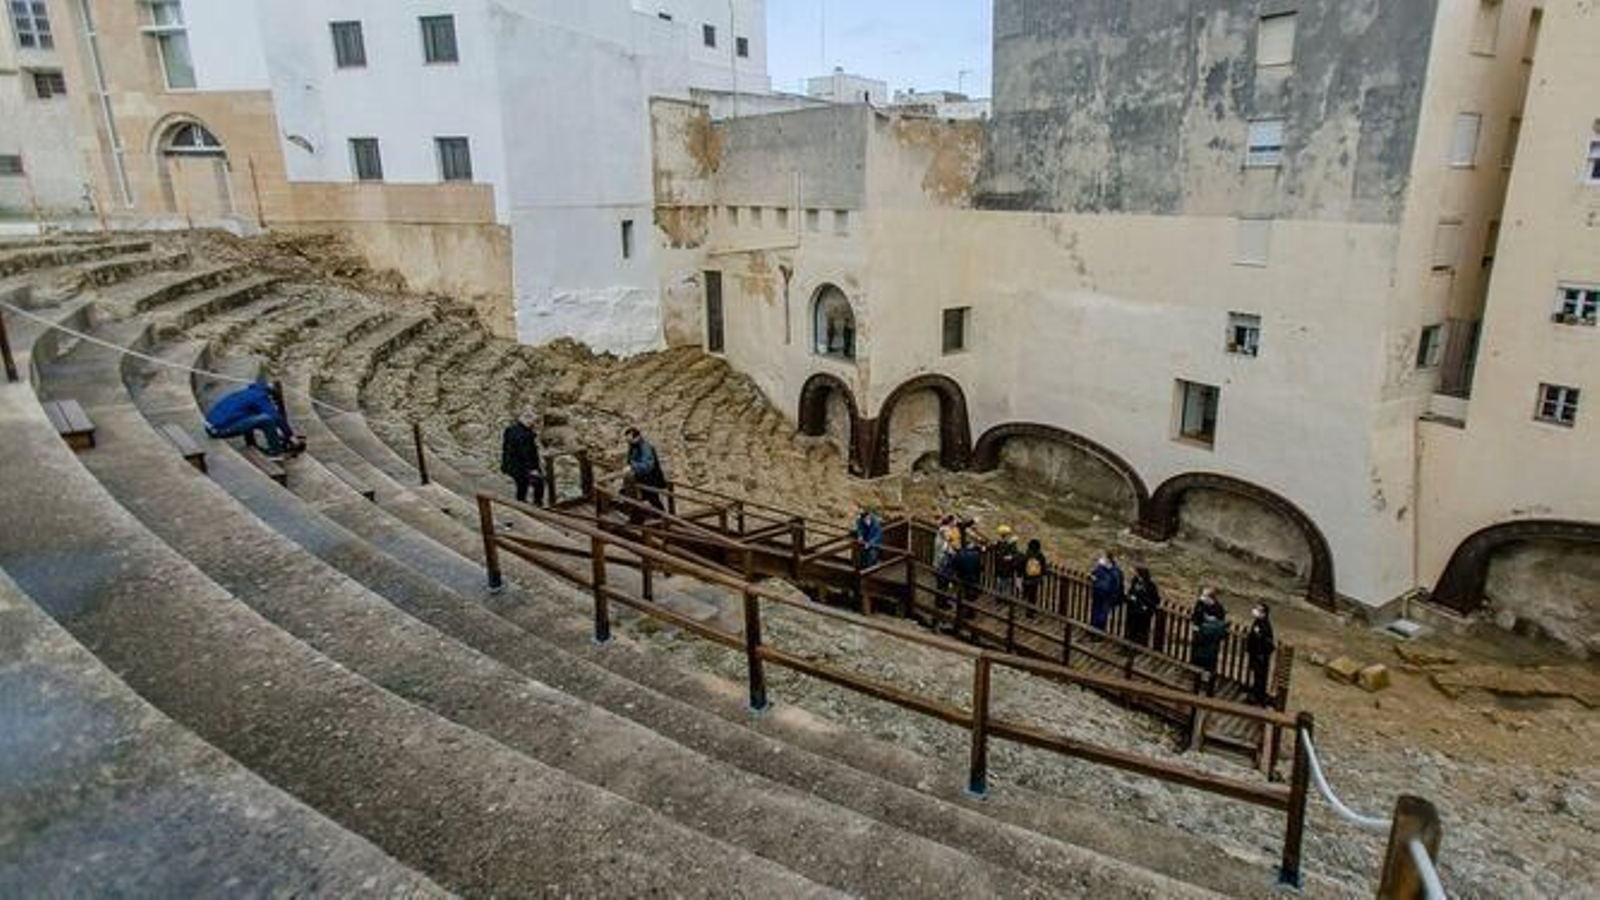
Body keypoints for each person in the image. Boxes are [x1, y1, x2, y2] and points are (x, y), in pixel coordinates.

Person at [205, 380, 301, 460]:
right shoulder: (261, 397)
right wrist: (290, 436)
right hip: (218, 429)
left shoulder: (249, 392)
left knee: (249, 416)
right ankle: (276, 453)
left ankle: (251, 444)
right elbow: (275, 418)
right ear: (270, 395)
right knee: (266, 419)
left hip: (211, 425)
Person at [500, 411, 544, 506]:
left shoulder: (511, 429)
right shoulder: (523, 434)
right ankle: (537, 504)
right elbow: (524, 453)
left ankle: (522, 503)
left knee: (522, 485)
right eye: (533, 421)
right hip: (521, 466)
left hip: (513, 465)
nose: (534, 424)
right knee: (538, 483)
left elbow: (507, 448)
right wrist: (532, 469)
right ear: (527, 420)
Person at [625, 427, 669, 512]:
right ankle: (639, 514)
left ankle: (662, 517)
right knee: (643, 496)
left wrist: (632, 466)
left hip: (650, 478)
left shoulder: (645, 447)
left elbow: (648, 465)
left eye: (630, 440)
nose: (628, 442)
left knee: (653, 499)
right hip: (641, 477)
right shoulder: (633, 446)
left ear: (637, 437)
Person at [1190, 588, 1228, 675]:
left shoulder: (1218, 608)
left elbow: (1220, 624)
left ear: (1211, 598)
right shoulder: (1200, 603)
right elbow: (1195, 615)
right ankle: (1194, 672)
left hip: (1210, 639)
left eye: (1204, 595)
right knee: (1196, 655)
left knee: (1209, 659)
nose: (1202, 597)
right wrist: (1195, 625)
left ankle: (1207, 675)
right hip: (1199, 635)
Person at [1246, 604, 1276, 705]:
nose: (1255, 611)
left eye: (1258, 610)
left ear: (1264, 613)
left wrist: (1258, 635)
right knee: (1256, 675)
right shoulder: (1258, 622)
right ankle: (1256, 693)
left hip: (1261, 655)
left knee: (1260, 677)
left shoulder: (1265, 625)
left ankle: (1258, 697)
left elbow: (1265, 641)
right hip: (1256, 654)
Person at [1125, 566, 1161, 647]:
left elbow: (1155, 599)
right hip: (1133, 611)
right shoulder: (1135, 581)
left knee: (1142, 631)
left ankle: (1140, 647)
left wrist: (1147, 606)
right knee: (1131, 630)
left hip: (1144, 613)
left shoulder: (1151, 586)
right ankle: (1127, 647)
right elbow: (1131, 591)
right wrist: (1130, 597)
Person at [1089, 550, 1125, 633]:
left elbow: (1109, 586)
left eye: (1104, 557)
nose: (1102, 558)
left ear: (1108, 559)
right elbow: (1094, 573)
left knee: (1101, 616)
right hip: (1098, 595)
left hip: (1107, 597)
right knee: (1095, 613)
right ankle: (1092, 631)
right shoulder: (1101, 567)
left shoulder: (1115, 572)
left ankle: (1098, 633)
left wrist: (1097, 581)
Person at [992, 525, 1022, 597]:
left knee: (1000, 585)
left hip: (1001, 569)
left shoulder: (998, 544)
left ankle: (999, 598)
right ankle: (1003, 598)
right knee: (1005, 586)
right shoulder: (1008, 544)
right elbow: (1015, 554)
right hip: (1007, 570)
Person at [1020, 538, 1048, 612]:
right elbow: (1044, 567)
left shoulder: (1027, 554)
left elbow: (1022, 565)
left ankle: (1024, 604)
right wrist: (1043, 575)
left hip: (1026, 578)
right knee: (1033, 596)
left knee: (1026, 592)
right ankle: (1031, 611)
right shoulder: (1040, 556)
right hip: (1035, 579)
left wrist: (1021, 574)